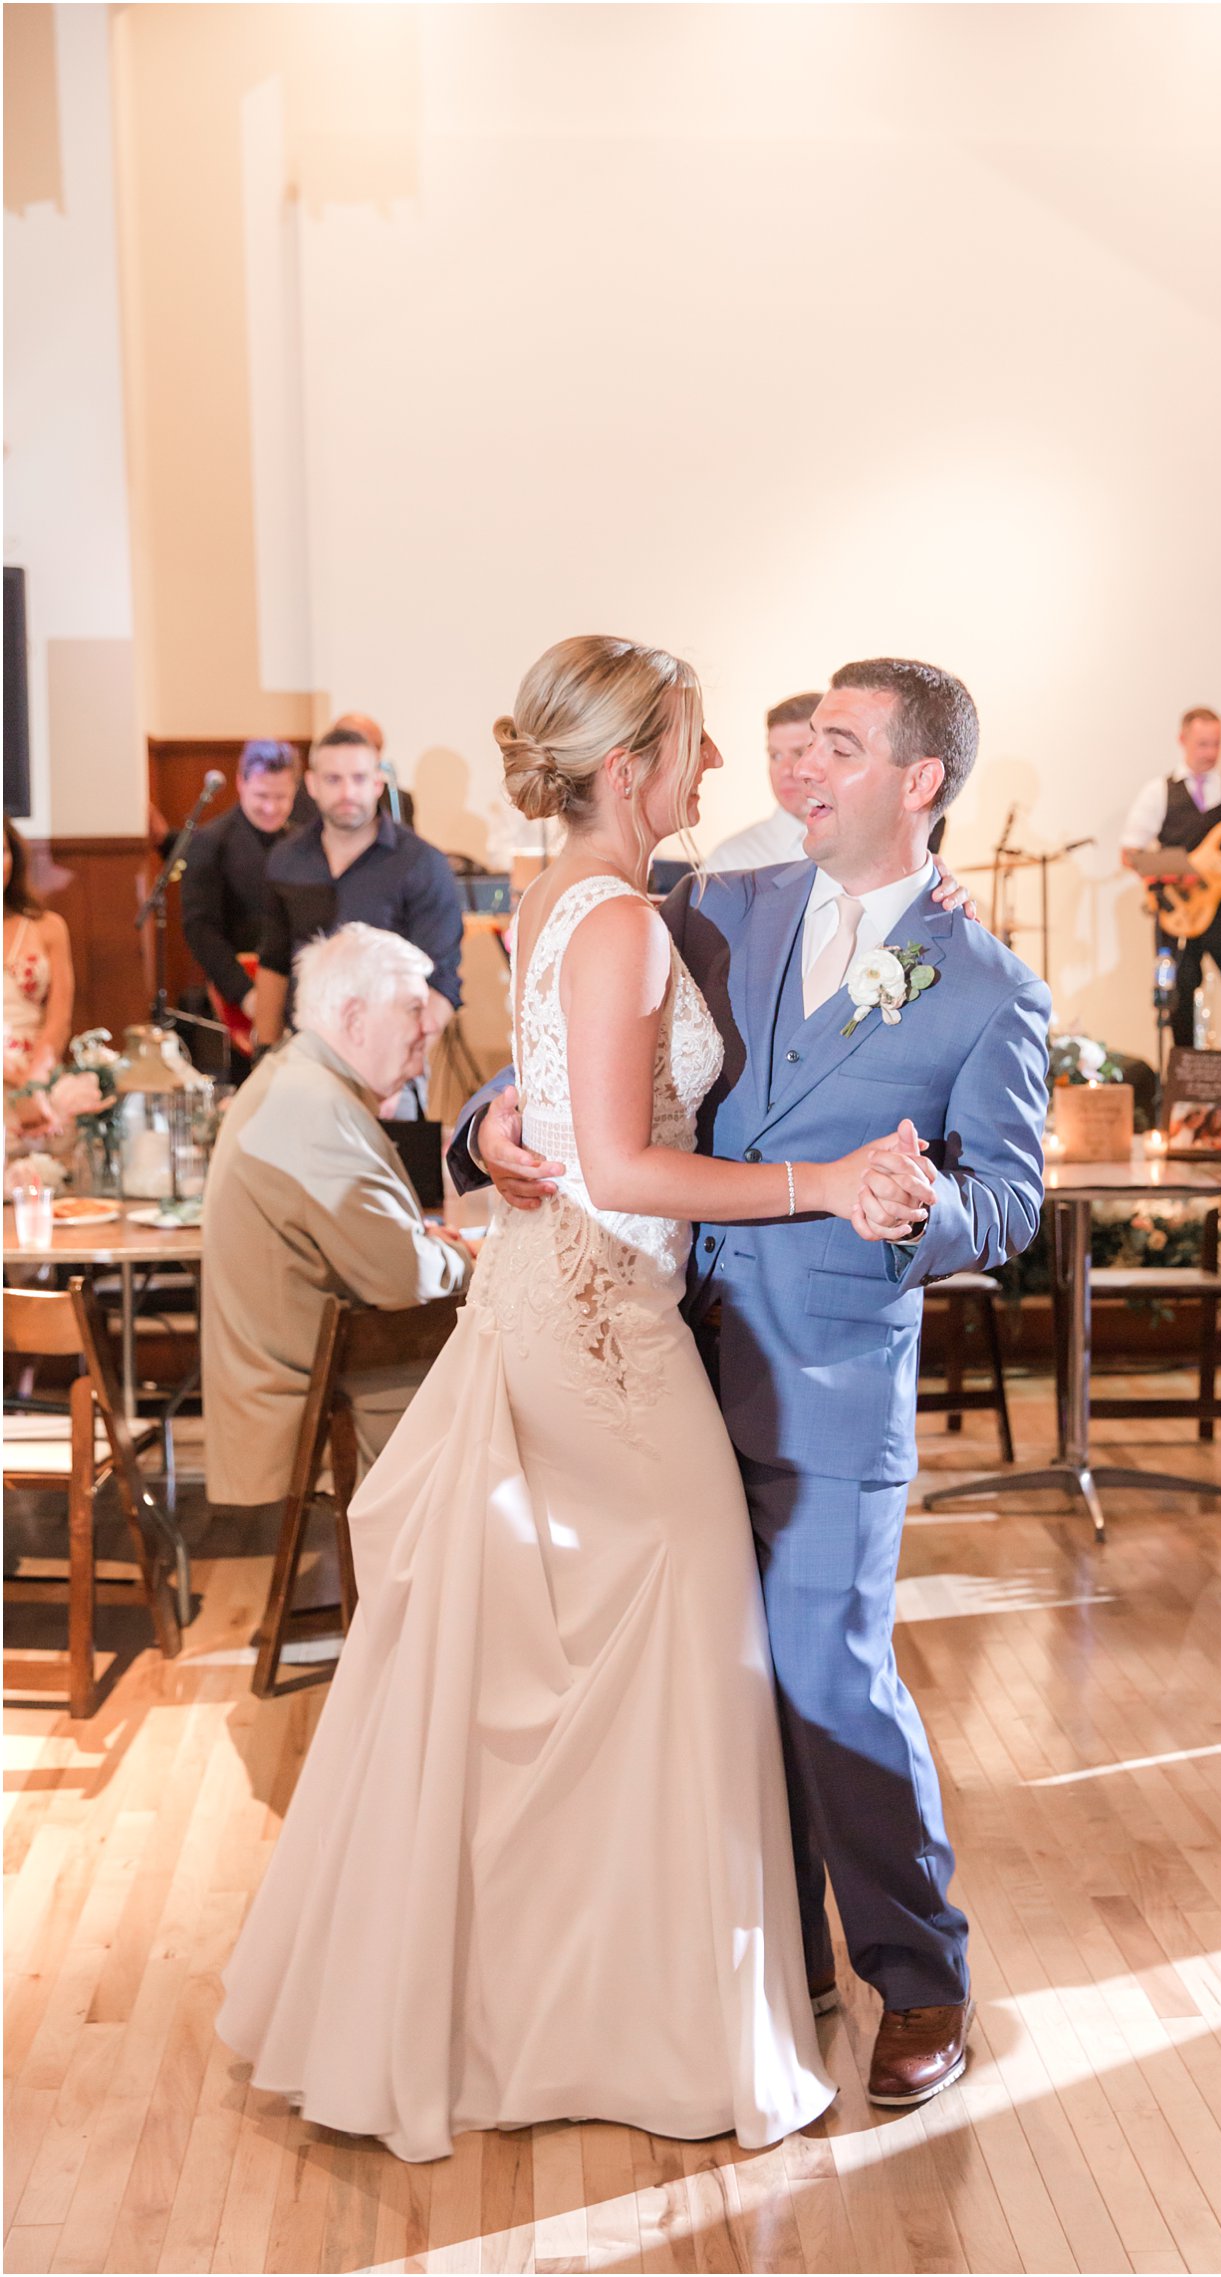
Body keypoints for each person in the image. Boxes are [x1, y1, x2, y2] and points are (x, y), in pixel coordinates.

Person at [218, 635, 957, 2160]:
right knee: (686, 1633)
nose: (725, 770)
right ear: (629, 765)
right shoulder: (627, 913)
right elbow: (610, 1151)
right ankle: (650, 2016)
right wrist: (819, 1177)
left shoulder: (564, 895)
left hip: (580, 1304)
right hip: (612, 1322)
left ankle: (577, 1992)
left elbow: (567, 1084)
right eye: (696, 743)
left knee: (593, 1663)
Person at [460, 652, 1051, 2113]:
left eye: (839, 748)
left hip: (830, 1377)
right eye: (800, 746)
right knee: (699, 1675)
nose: (797, 769)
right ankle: (771, 1961)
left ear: (921, 782)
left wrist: (927, 1214)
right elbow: (580, 1027)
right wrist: (487, 1121)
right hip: (656, 1353)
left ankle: (918, 1975)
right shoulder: (719, 904)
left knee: (824, 1674)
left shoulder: (991, 987)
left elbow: (1013, 1199)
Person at [200, 924, 469, 1513]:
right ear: (353, 1019)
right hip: (310, 1402)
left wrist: (421, 1244)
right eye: (414, 1009)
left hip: (319, 1366)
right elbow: (407, 1279)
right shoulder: (312, 1105)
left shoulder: (302, 1081)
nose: (431, 1025)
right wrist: (464, 1255)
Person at [254, 726, 462, 1087]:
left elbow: (441, 985)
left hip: (392, 1065)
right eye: (333, 779)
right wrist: (265, 1059)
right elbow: (274, 963)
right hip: (305, 1057)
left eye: (359, 778)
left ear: (378, 784)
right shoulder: (287, 858)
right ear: (312, 785)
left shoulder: (422, 864)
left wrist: (400, 1072)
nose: (348, 792)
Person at [1121, 706, 1221, 1131]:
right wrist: (1181, 872)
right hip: (1176, 910)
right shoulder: (1159, 792)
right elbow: (1131, 852)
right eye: (1202, 743)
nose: (1210, 752)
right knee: (1176, 1004)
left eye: (1216, 744)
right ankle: (1182, 1105)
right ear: (1183, 741)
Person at [179, 741, 305, 1063]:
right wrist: (245, 994)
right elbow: (200, 928)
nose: (271, 808)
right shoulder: (211, 841)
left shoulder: (303, 843)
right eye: (261, 796)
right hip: (239, 989)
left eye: (282, 797)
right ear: (240, 783)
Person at [3, 818, 74, 1114]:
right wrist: (15, 1079)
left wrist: (35, 1078)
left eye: (3, 850)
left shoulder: (48, 927)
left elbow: (59, 1021)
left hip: (39, 1069)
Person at [704, 691, 818, 870]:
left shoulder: (869, 845)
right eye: (776, 755)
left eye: (800, 753)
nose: (786, 770)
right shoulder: (730, 863)